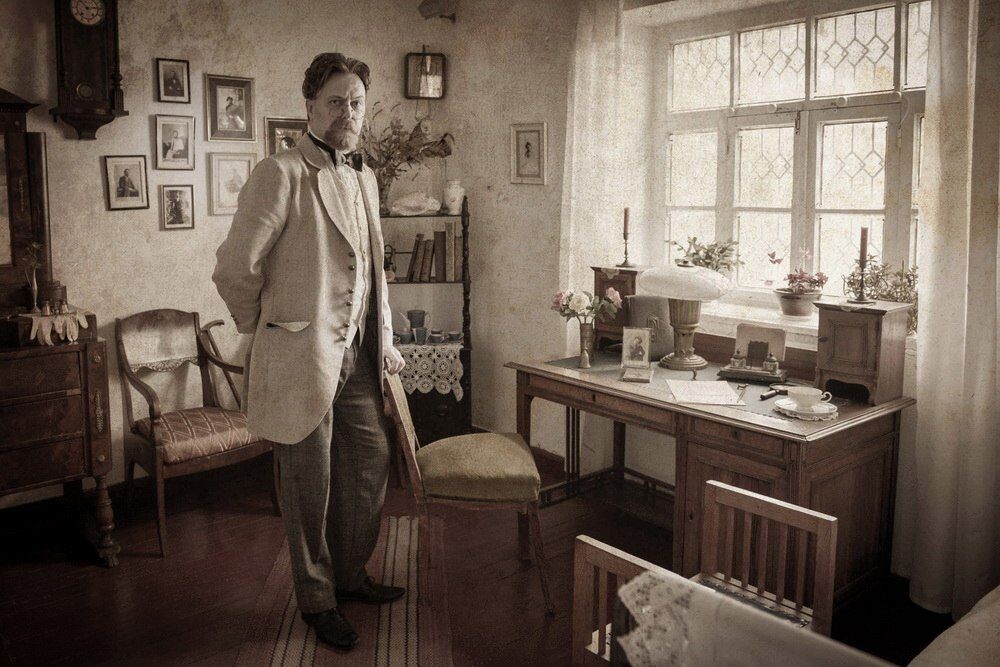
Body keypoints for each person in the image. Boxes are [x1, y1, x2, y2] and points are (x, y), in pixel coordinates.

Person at [213, 52, 406, 652]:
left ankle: (349, 575)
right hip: (302, 356)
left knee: (370, 462)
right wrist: (266, 329)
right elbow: (234, 268)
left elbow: (373, 271)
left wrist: (385, 338)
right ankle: (318, 599)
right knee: (307, 483)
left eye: (356, 103)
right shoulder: (280, 173)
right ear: (310, 106)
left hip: (359, 353)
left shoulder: (365, 177)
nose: (348, 113)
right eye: (335, 101)